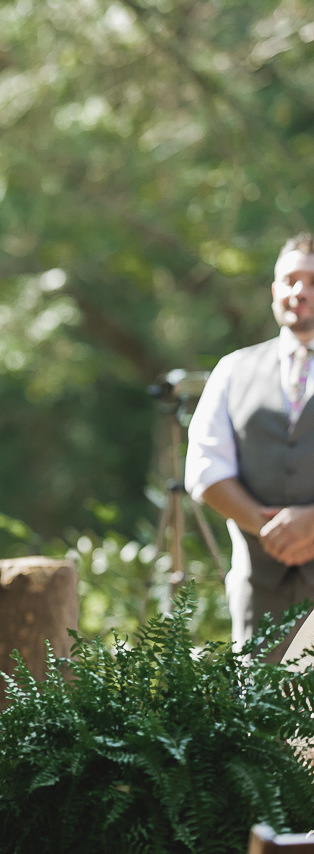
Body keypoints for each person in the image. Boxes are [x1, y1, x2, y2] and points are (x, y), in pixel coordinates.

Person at [187, 233, 314, 660]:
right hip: (260, 594)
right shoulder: (232, 369)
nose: (300, 291)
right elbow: (205, 468)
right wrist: (269, 530)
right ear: (275, 290)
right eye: (290, 280)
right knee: (260, 703)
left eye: (313, 281)